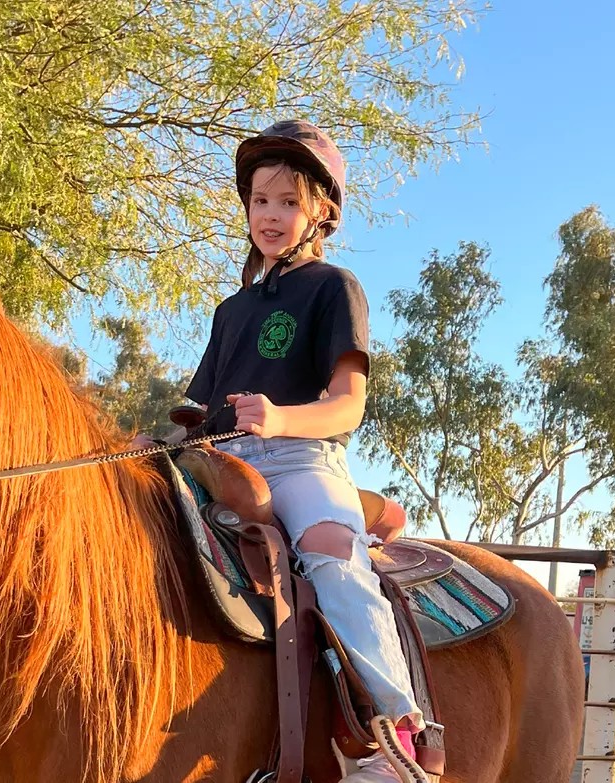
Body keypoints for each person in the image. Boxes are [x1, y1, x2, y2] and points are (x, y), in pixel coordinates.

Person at [184, 120, 428, 783]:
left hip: (299, 461)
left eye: (288, 202)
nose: (270, 215)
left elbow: (348, 405)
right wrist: (165, 439)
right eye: (260, 200)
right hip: (221, 462)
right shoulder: (229, 310)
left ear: (321, 211)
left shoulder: (332, 288)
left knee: (326, 550)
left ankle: (395, 735)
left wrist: (281, 417)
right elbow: (199, 413)